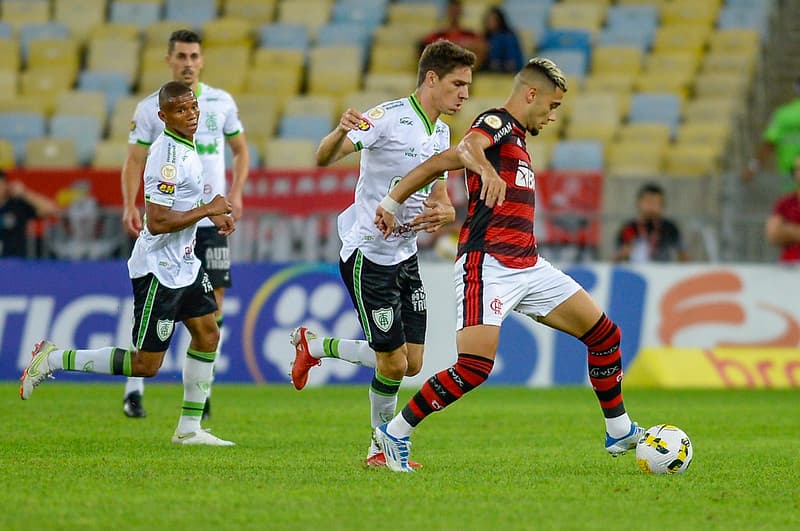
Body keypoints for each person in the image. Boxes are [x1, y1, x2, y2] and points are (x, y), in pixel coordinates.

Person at [372, 58, 643, 472]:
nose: (553, 116)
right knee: (474, 367)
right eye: (551, 106)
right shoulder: (495, 122)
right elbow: (468, 147)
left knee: (605, 335)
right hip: (488, 265)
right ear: (530, 94)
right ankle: (396, 432)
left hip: (529, 265)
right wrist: (483, 169)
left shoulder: (515, 138)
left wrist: (393, 201)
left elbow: (436, 163)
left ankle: (619, 430)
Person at [290, 40, 477, 469]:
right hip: (367, 255)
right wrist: (340, 130)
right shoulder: (387, 119)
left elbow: (441, 197)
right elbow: (323, 158)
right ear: (432, 79)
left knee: (412, 363)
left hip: (406, 254)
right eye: (458, 83)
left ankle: (315, 346)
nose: (465, 93)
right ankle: (381, 448)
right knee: (391, 362)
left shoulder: (444, 132)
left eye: (468, 84)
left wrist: (444, 211)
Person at [20, 81, 237, 446]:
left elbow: (187, 196)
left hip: (185, 263)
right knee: (146, 365)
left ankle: (189, 429)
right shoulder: (166, 157)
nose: (191, 114)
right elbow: (157, 221)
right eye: (181, 110)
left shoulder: (188, 146)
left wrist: (210, 214)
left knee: (208, 333)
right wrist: (208, 209)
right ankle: (54, 359)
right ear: (162, 116)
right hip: (159, 271)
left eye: (194, 107)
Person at [120, 29, 249, 419]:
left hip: (208, 219)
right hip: (178, 217)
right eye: (181, 56)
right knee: (154, 317)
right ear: (170, 60)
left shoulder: (220, 102)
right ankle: (135, 387)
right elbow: (134, 160)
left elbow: (241, 152)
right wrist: (130, 203)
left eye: (194, 56)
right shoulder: (150, 110)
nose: (188, 63)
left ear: (202, 60)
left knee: (213, 310)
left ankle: (199, 395)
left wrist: (235, 196)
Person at [743, 76, 800, 189]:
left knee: (790, 205)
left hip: (789, 178)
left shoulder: (783, 114)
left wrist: (753, 167)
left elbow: (768, 143)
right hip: (790, 177)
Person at [613, 182, 689, 263]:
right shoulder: (628, 228)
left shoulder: (670, 228)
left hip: (664, 271)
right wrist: (622, 255)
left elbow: (683, 254)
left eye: (656, 203)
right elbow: (615, 259)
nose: (652, 207)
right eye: (648, 202)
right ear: (638, 203)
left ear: (662, 205)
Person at [0, 170, 59, 258]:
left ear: (6, 185)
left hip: (16, 261)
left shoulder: (16, 205)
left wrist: (25, 193)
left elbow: (53, 210)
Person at [420, 0, 486, 68]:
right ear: (447, 11)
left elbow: (482, 48)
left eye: (456, 10)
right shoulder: (437, 34)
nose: (454, 13)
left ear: (461, 11)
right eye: (452, 10)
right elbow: (422, 48)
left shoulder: (470, 34)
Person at [766, 154, 800, 263]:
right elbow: (772, 235)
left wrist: (789, 230)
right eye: (797, 169)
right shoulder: (785, 202)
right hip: (789, 268)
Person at [481, 6, 524, 74]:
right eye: (489, 20)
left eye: (494, 20)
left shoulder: (508, 36)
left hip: (510, 69)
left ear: (500, 20)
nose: (491, 23)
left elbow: (512, 58)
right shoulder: (487, 36)